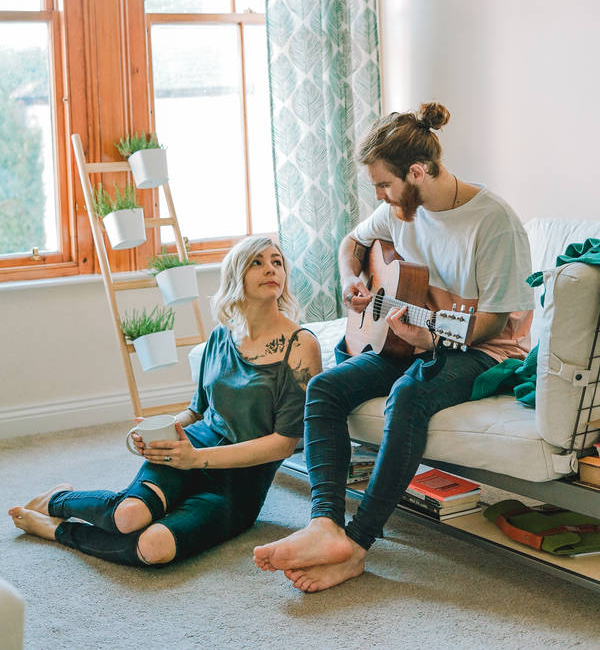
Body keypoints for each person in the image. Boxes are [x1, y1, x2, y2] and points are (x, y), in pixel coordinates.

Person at [254, 101, 533, 592]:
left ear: (418, 172)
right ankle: (324, 523)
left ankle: (355, 545)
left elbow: (493, 321)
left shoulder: (494, 223)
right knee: (323, 389)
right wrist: (350, 282)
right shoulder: (398, 211)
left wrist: (433, 338)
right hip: (410, 340)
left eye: (384, 184)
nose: (380, 196)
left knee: (407, 396)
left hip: (482, 350)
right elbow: (351, 244)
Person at [9, 237, 321, 568]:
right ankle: (59, 499)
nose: (271, 269)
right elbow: (196, 411)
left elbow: (283, 445)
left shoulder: (300, 346)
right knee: (128, 517)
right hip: (190, 448)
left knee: (153, 548)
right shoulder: (220, 336)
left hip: (239, 482)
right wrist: (159, 429)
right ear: (236, 276)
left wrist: (196, 459)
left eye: (277, 262)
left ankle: (55, 530)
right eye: (257, 262)